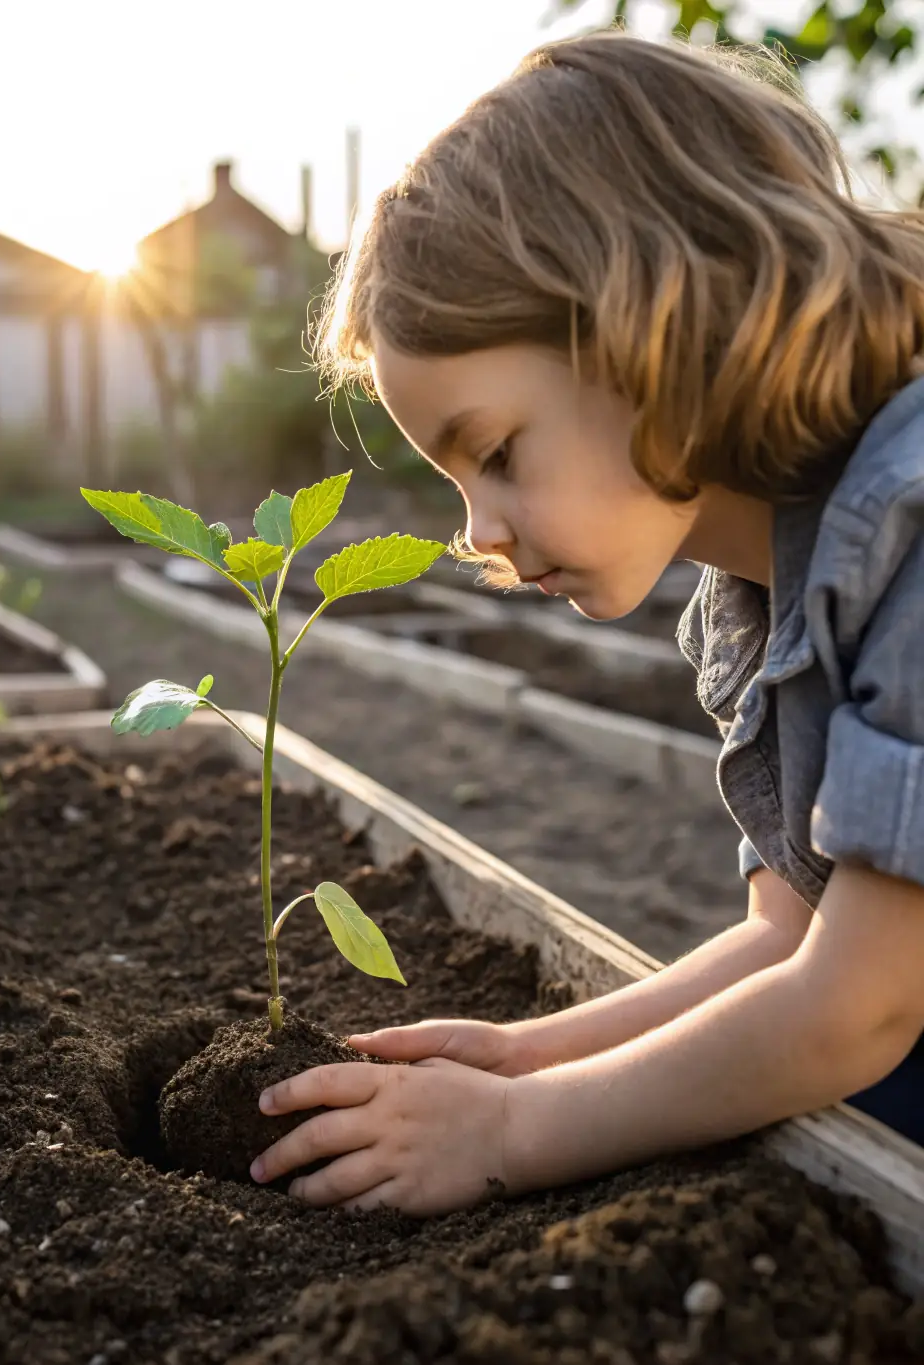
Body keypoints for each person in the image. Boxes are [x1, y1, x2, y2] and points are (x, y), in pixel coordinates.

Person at [249, 30, 924, 1214]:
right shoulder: (761, 584)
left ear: (654, 318)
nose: (479, 536)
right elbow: (789, 938)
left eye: (497, 454)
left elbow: (858, 1001)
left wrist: (512, 1129)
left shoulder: (910, 534)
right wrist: (528, 1056)